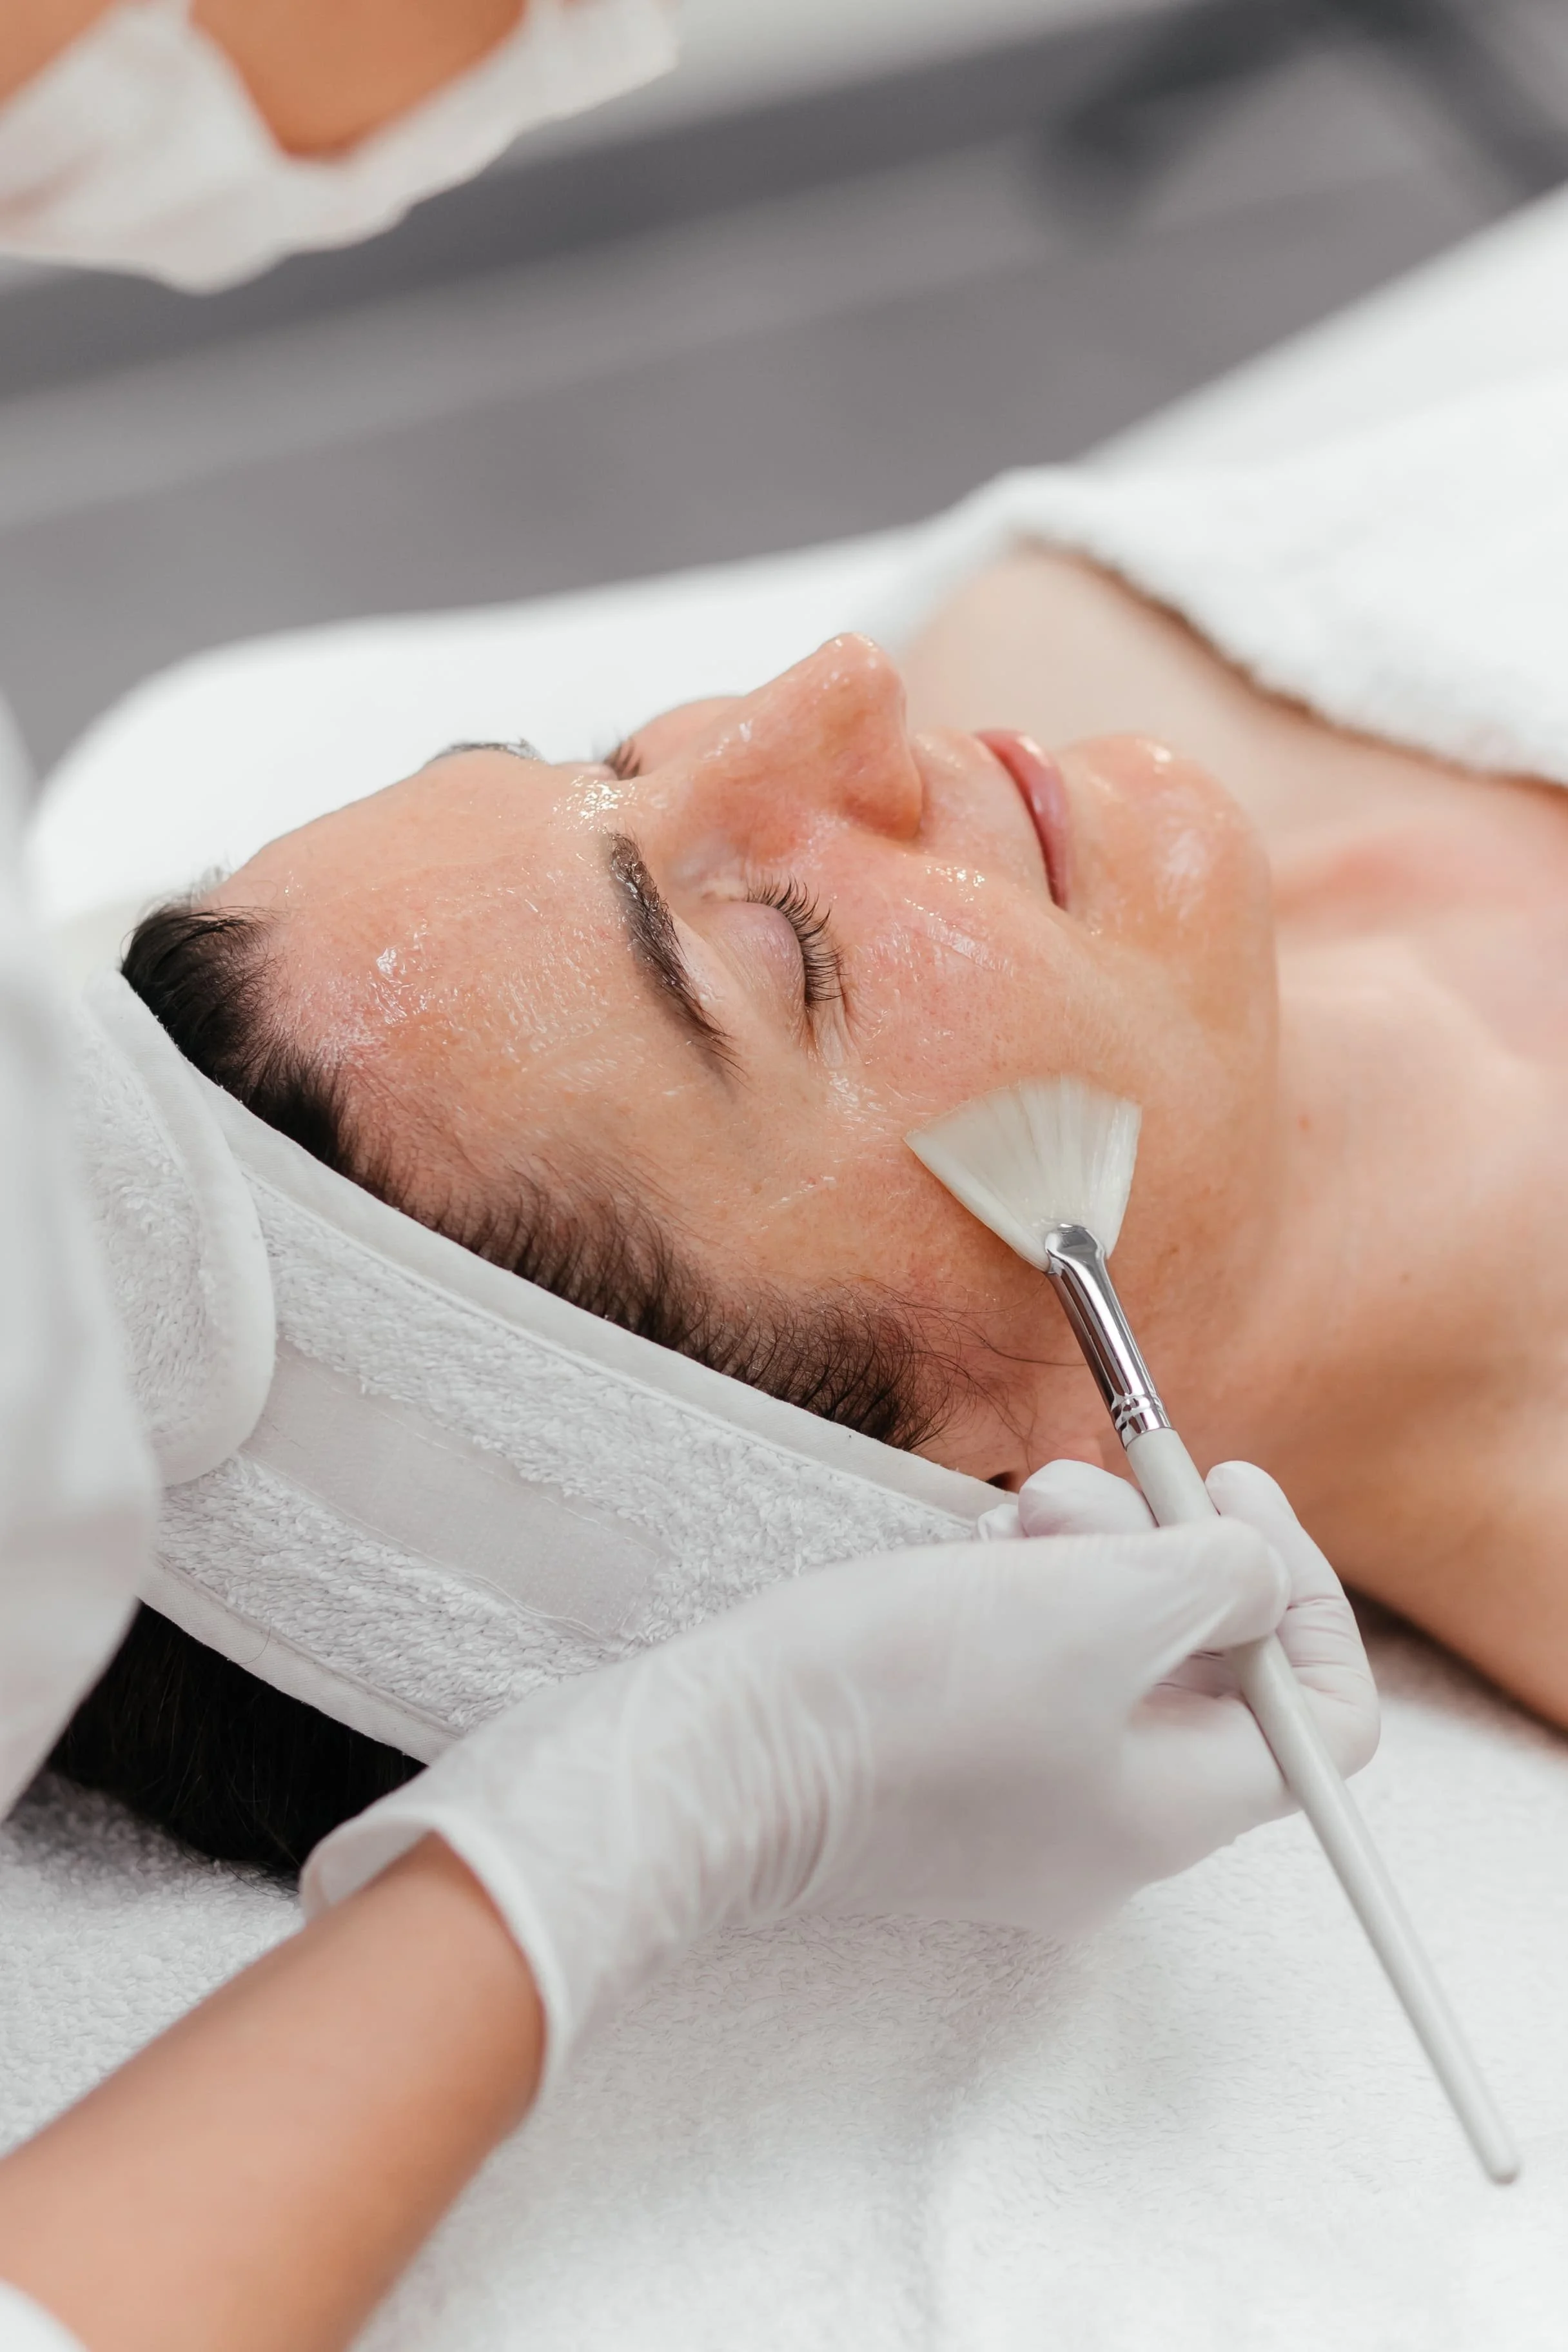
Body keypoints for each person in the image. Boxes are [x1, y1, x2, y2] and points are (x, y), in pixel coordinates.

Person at [0, 8, 1380, 2352]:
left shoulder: (1090, 635)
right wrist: (644, 1829)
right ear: (996, 1496)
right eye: (788, 956)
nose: (832, 687)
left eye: (609, 759)